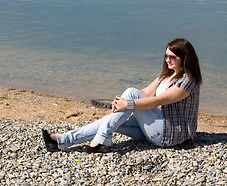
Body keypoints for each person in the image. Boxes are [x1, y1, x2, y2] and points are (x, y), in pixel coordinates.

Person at [42, 38, 202, 153]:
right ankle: (61, 141)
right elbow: (146, 93)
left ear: (184, 59)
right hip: (154, 127)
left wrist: (127, 104)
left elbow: (157, 101)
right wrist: (123, 103)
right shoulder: (165, 76)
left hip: (169, 135)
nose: (168, 60)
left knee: (131, 93)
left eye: (172, 57)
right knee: (108, 121)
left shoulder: (188, 81)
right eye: (166, 56)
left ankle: (101, 140)